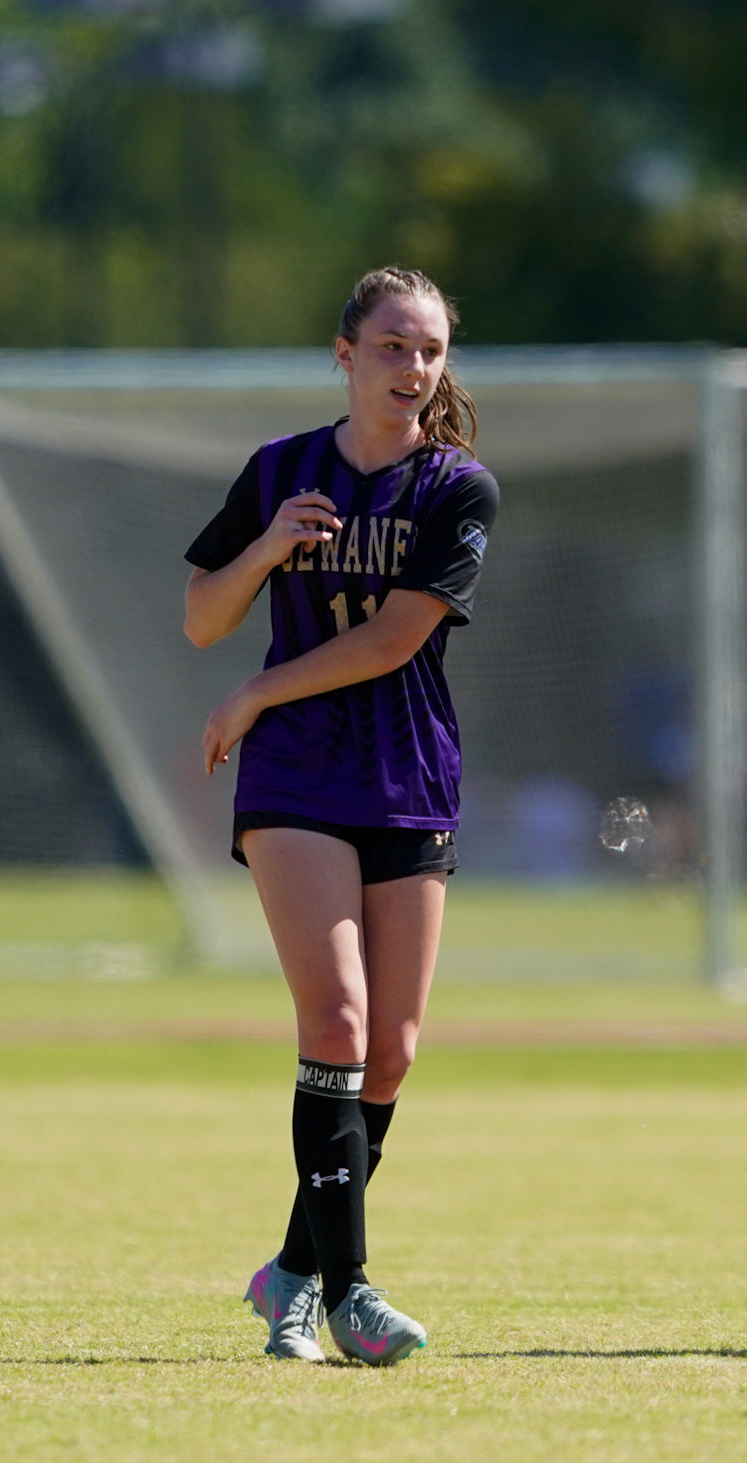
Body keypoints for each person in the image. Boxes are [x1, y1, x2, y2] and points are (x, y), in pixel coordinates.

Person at [182, 266, 498, 1365]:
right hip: (297, 778)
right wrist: (267, 547)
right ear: (345, 353)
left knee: (391, 1055)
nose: (414, 367)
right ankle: (349, 1295)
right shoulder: (280, 469)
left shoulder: (458, 487)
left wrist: (254, 690)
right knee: (338, 1025)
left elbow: (396, 639)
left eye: (431, 350)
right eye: (393, 345)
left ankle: (292, 1271)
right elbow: (202, 614)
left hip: (407, 772)